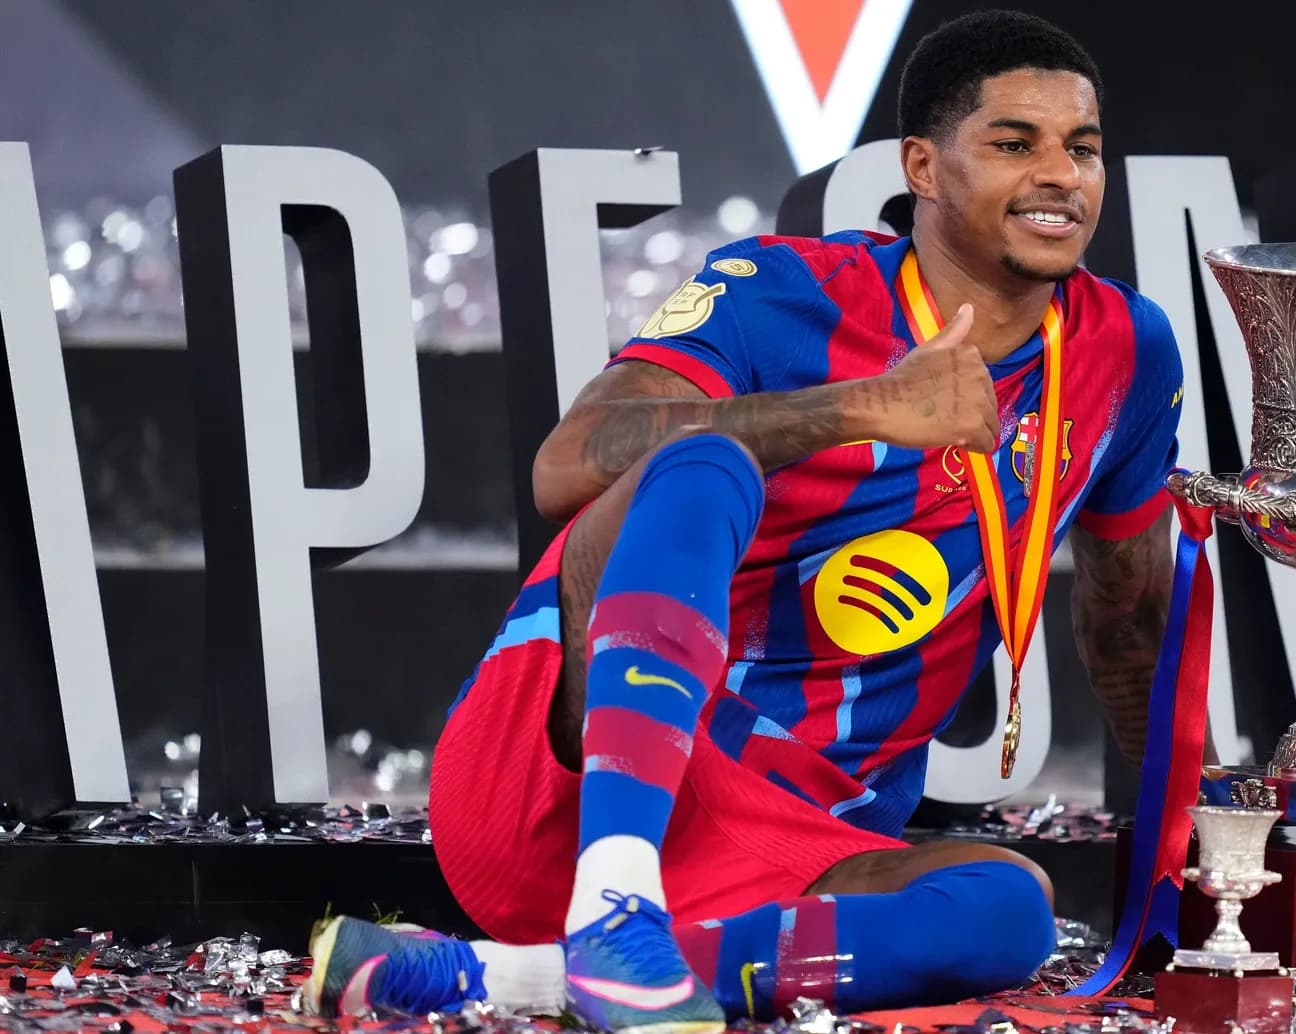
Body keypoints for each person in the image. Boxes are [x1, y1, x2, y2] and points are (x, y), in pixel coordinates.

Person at [302, 9, 1186, 1031]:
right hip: (563, 783)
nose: (1059, 176)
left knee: (1005, 911)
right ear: (923, 167)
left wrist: (1182, 836)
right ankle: (613, 892)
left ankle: (515, 974)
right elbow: (565, 464)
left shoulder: (1123, 349)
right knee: (699, 465)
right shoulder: (783, 288)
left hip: (789, 846)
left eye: (1082, 148)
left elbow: (1126, 615)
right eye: (1012, 142)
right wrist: (859, 407)